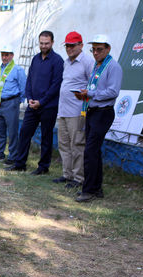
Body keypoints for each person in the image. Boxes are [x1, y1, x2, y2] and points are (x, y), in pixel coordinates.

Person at [6, 31, 64, 174]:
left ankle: (43, 167)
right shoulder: (35, 59)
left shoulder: (58, 61)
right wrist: (29, 98)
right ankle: (20, 163)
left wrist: (42, 102)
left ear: (52, 43)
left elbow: (56, 85)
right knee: (25, 132)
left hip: (48, 106)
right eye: (41, 43)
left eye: (46, 43)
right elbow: (30, 80)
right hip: (32, 105)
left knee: (46, 137)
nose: (43, 46)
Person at [74, 34, 122, 202]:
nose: (95, 53)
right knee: (93, 151)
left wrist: (91, 94)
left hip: (104, 112)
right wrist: (84, 94)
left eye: (99, 49)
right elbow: (94, 87)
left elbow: (113, 91)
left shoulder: (113, 66)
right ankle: (96, 188)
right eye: (93, 49)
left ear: (108, 49)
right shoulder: (97, 65)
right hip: (93, 111)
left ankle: (88, 190)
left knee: (90, 151)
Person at [55, 31, 95, 188]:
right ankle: (67, 174)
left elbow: (92, 86)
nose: (69, 49)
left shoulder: (87, 62)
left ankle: (79, 178)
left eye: (72, 45)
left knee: (77, 145)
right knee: (63, 144)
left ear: (81, 45)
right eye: (67, 46)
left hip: (77, 112)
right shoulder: (66, 62)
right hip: (63, 110)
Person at [0, 45, 26, 163]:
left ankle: (13, 156)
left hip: (11, 102)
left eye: (7, 55)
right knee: (0, 130)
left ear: (12, 55)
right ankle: (0, 153)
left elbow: (23, 87)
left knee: (12, 131)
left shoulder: (17, 70)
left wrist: (18, 101)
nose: (4, 57)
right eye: (3, 54)